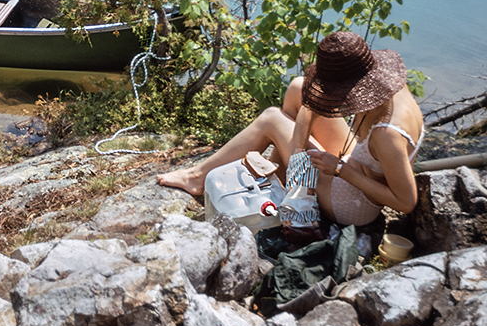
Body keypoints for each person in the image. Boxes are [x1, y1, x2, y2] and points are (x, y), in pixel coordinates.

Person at [157, 31, 424, 226]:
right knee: (299, 87)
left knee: (273, 118)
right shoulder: (391, 86)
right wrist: (297, 149)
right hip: (354, 162)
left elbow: (405, 202)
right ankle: (286, 177)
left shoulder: (386, 135)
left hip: (354, 202)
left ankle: (198, 177)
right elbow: (312, 100)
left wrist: (340, 170)